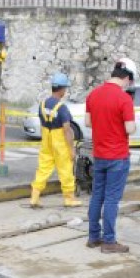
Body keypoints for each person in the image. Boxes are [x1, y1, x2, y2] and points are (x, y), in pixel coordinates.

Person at [84, 57, 137, 254]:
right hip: (118, 156)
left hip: (99, 155)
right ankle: (109, 241)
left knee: (97, 195)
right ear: (128, 77)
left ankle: (93, 236)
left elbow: (88, 123)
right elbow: (130, 129)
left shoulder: (93, 94)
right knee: (112, 199)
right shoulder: (124, 99)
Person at [30, 72, 80, 208]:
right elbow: (67, 130)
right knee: (65, 169)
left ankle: (35, 197)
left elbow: (43, 122)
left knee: (43, 168)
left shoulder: (42, 104)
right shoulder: (62, 108)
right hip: (59, 142)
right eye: (65, 89)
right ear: (62, 89)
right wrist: (71, 150)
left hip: (46, 140)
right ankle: (69, 198)